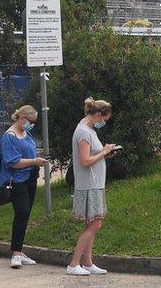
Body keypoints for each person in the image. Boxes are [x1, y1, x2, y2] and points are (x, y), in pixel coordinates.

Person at [67, 98, 117, 277]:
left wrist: (105, 153)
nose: (104, 123)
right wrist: (103, 152)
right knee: (95, 224)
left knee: (91, 224)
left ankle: (87, 263)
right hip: (89, 185)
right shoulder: (83, 132)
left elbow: (92, 155)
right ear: (98, 115)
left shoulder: (88, 129)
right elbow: (85, 160)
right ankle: (74, 264)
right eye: (104, 119)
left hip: (94, 184)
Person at [0, 105, 46, 269]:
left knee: (25, 214)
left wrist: (37, 161)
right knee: (21, 213)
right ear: (22, 117)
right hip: (16, 180)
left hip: (30, 178)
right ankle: (16, 253)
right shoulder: (10, 137)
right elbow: (12, 161)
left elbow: (29, 152)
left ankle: (19, 250)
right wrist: (33, 161)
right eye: (31, 121)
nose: (32, 124)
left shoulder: (26, 133)